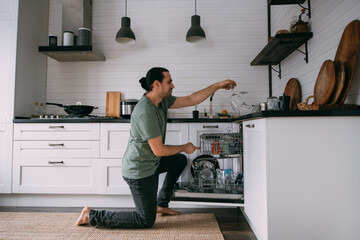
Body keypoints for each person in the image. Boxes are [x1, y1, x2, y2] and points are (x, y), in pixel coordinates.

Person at [76, 67, 236, 228]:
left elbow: (191, 99)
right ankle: (91, 215)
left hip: (152, 162)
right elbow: (159, 150)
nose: (173, 86)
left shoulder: (162, 101)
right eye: (169, 82)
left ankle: (162, 204)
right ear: (157, 84)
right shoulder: (145, 111)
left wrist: (217, 85)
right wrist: (184, 146)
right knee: (144, 220)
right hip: (139, 170)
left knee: (179, 160)